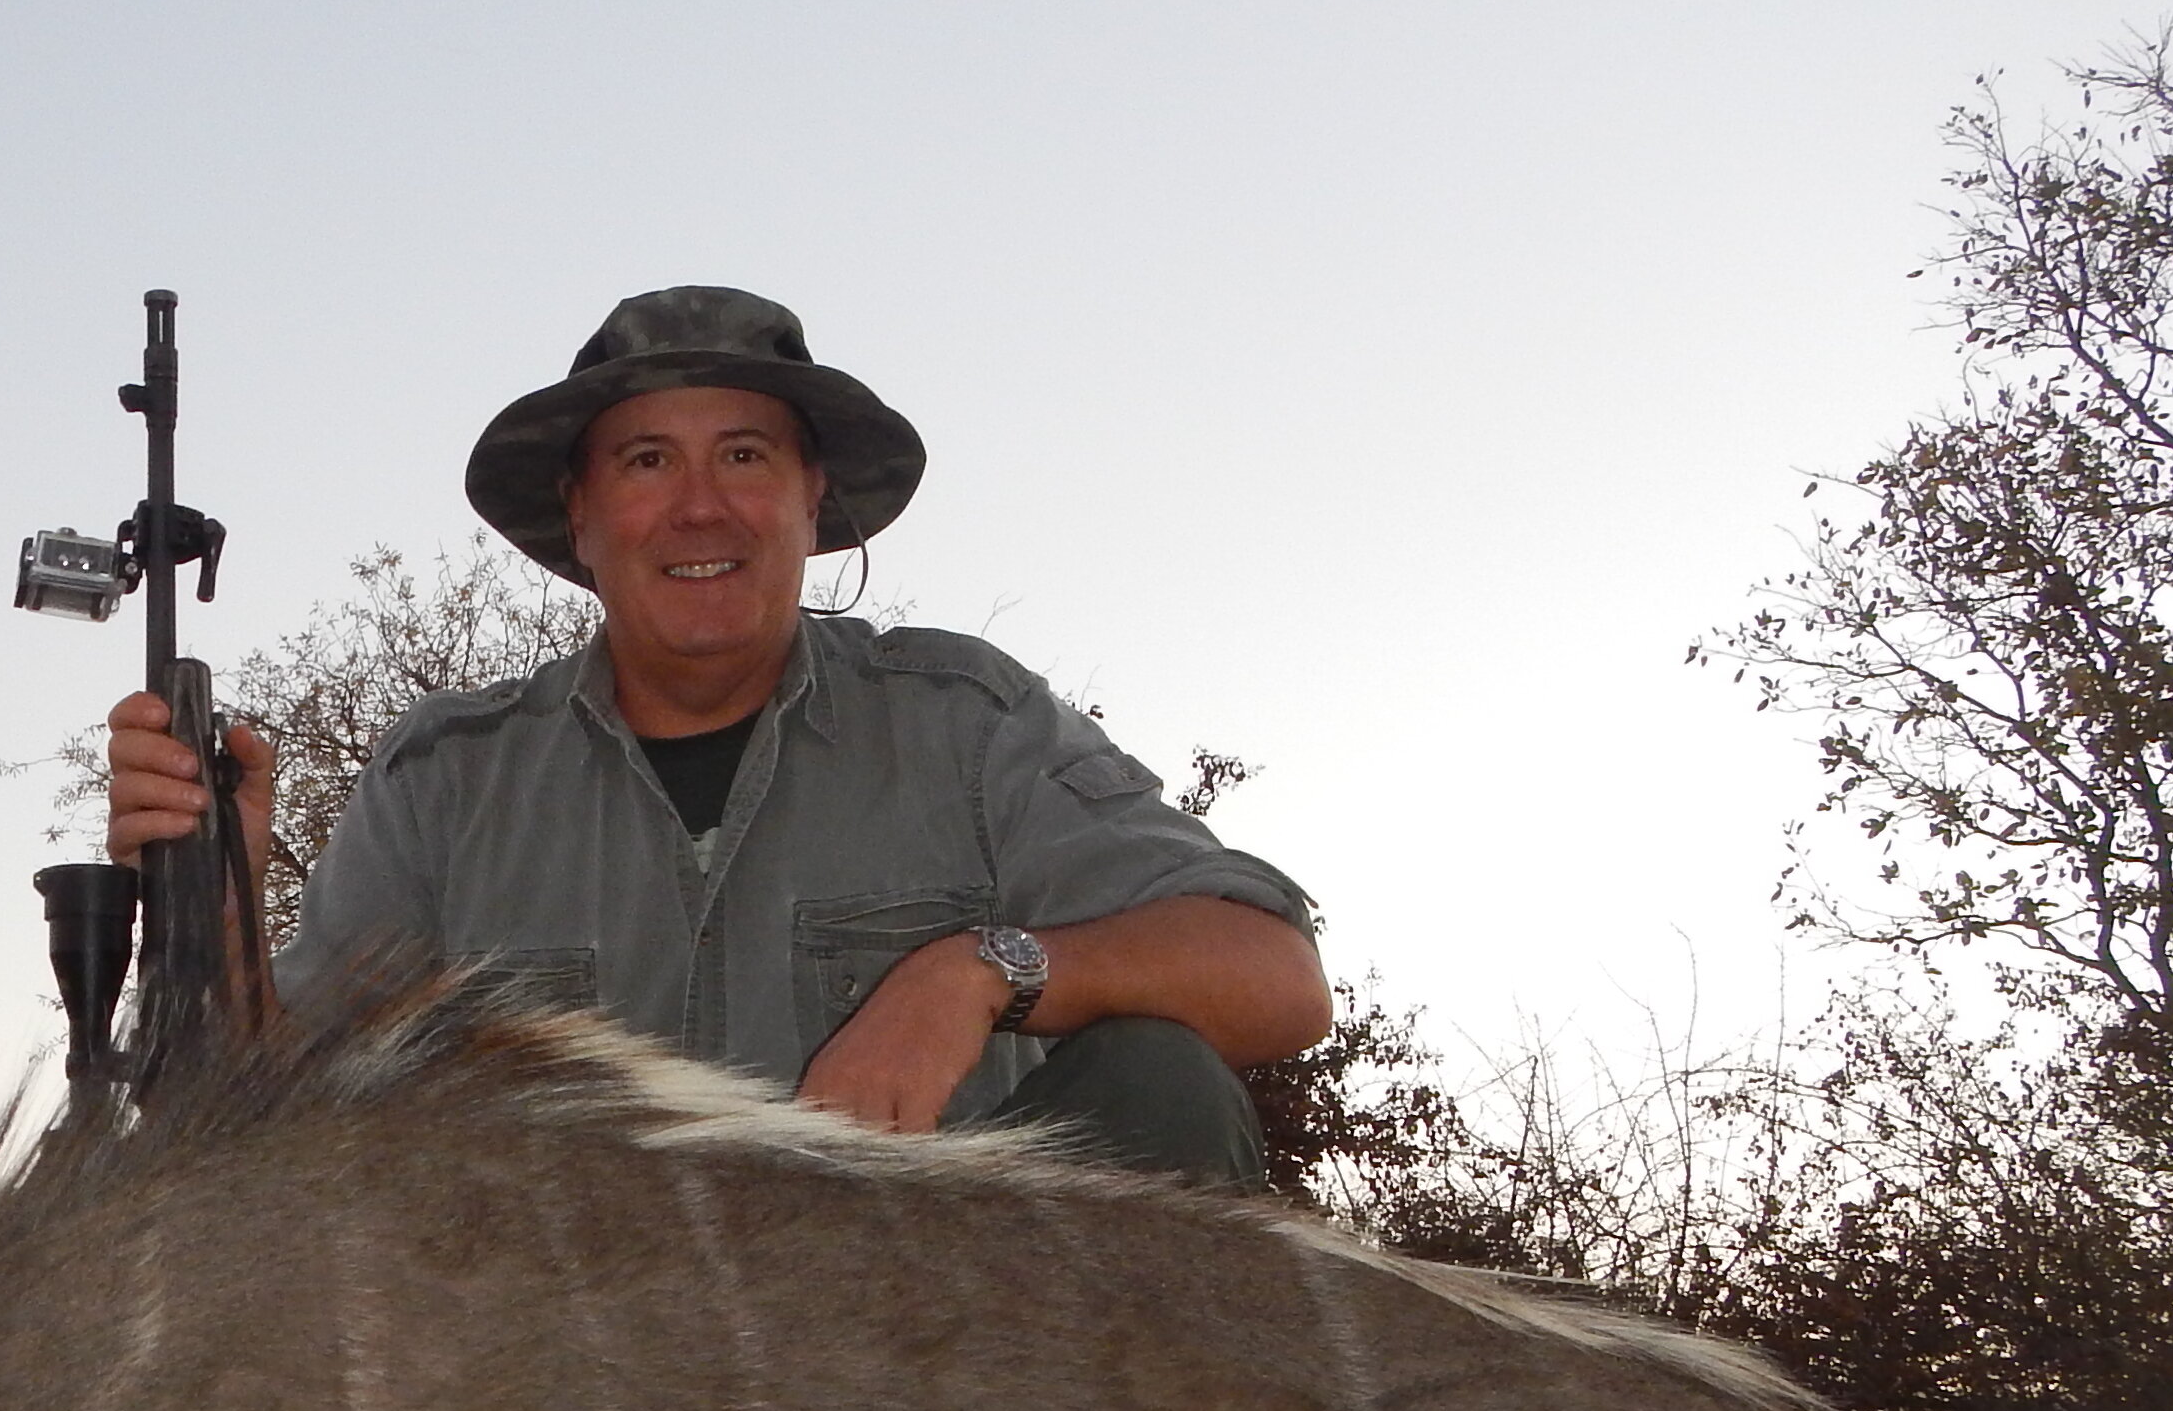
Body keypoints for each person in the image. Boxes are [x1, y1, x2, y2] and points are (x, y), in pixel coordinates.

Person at [105, 285, 1329, 1185]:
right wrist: (215, 896)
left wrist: (978, 972)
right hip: (567, 1400)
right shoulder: (446, 778)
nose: (701, 505)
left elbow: (1276, 978)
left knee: (1157, 1080)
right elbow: (270, 1125)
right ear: (580, 521)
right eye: (647, 461)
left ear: (812, 503)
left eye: (745, 454)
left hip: (947, 1384)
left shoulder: (969, 722)